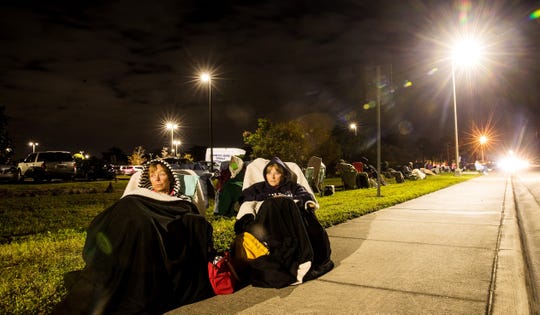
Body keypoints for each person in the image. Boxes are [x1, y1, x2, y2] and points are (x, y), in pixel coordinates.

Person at [55, 159, 214, 315]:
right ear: (148, 179)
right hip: (132, 230)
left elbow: (194, 218)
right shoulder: (140, 196)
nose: (156, 179)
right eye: (152, 175)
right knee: (129, 209)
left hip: (151, 235)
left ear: (170, 177)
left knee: (140, 223)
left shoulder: (181, 201)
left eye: (161, 174)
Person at [233, 157, 333, 288]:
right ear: (265, 174)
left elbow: (305, 196)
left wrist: (292, 201)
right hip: (270, 225)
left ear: (283, 174)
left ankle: (300, 258)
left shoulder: (292, 187)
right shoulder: (259, 188)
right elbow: (245, 198)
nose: (272, 177)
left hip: (291, 223)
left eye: (277, 173)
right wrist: (267, 199)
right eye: (269, 173)